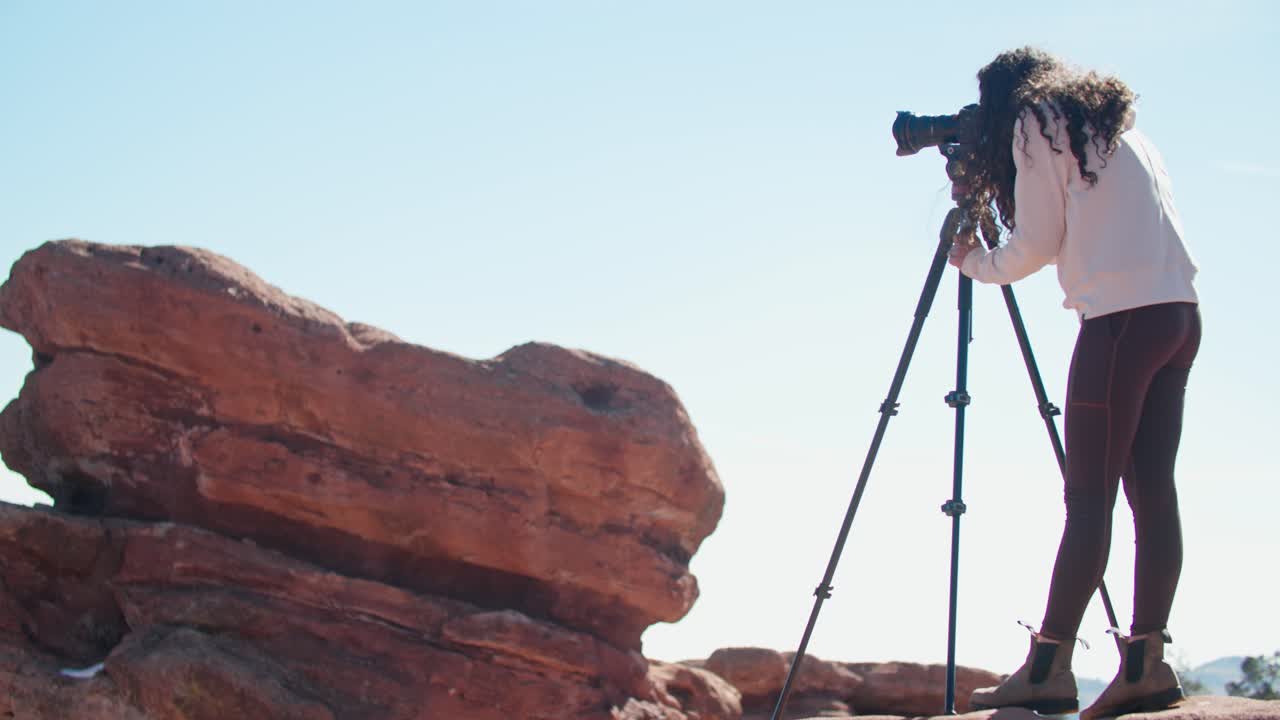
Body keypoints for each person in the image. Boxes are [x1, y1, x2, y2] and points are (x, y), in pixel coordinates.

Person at [947, 47, 1201, 719]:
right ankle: (1146, 665)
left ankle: (1047, 669)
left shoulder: (1036, 121)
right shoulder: (1118, 128)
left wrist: (973, 260)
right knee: (1153, 493)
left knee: (1088, 501)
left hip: (1121, 324)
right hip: (1178, 315)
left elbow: (1035, 245)